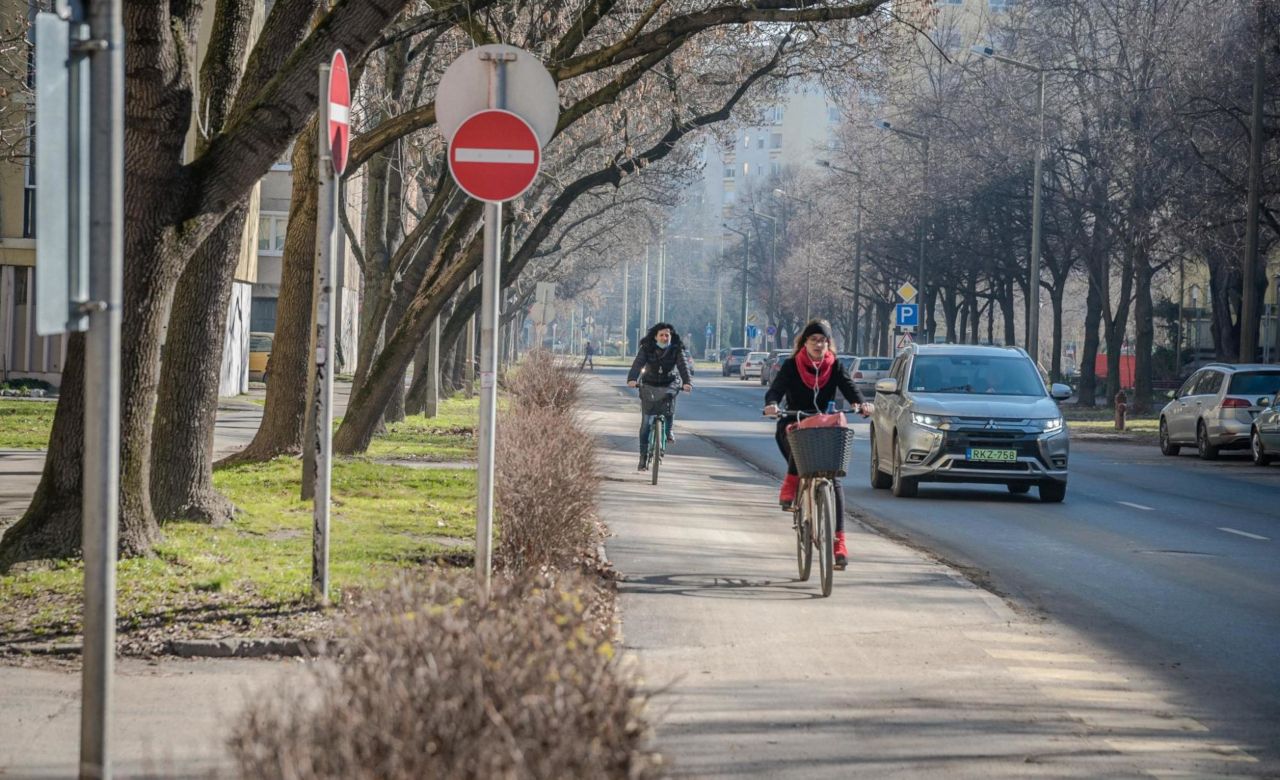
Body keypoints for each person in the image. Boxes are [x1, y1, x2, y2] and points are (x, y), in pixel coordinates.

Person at [763, 319, 870, 570]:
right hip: (795, 420)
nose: (818, 344)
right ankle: (791, 484)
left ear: (828, 344)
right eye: (814, 340)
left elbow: (850, 387)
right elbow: (775, 390)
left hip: (825, 425)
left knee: (835, 480)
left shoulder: (835, 365)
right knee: (797, 439)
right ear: (805, 342)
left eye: (823, 340)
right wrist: (772, 405)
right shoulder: (792, 365)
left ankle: (839, 543)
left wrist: (861, 403)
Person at [626, 323, 692, 470]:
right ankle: (643, 456)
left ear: (671, 336)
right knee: (646, 424)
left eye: (667, 335)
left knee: (669, 403)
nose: (664, 338)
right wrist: (632, 379)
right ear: (655, 337)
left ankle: (668, 430)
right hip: (649, 383)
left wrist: (687, 382)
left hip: (669, 382)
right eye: (661, 335)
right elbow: (638, 364)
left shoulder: (676, 349)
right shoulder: (647, 348)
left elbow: (683, 366)